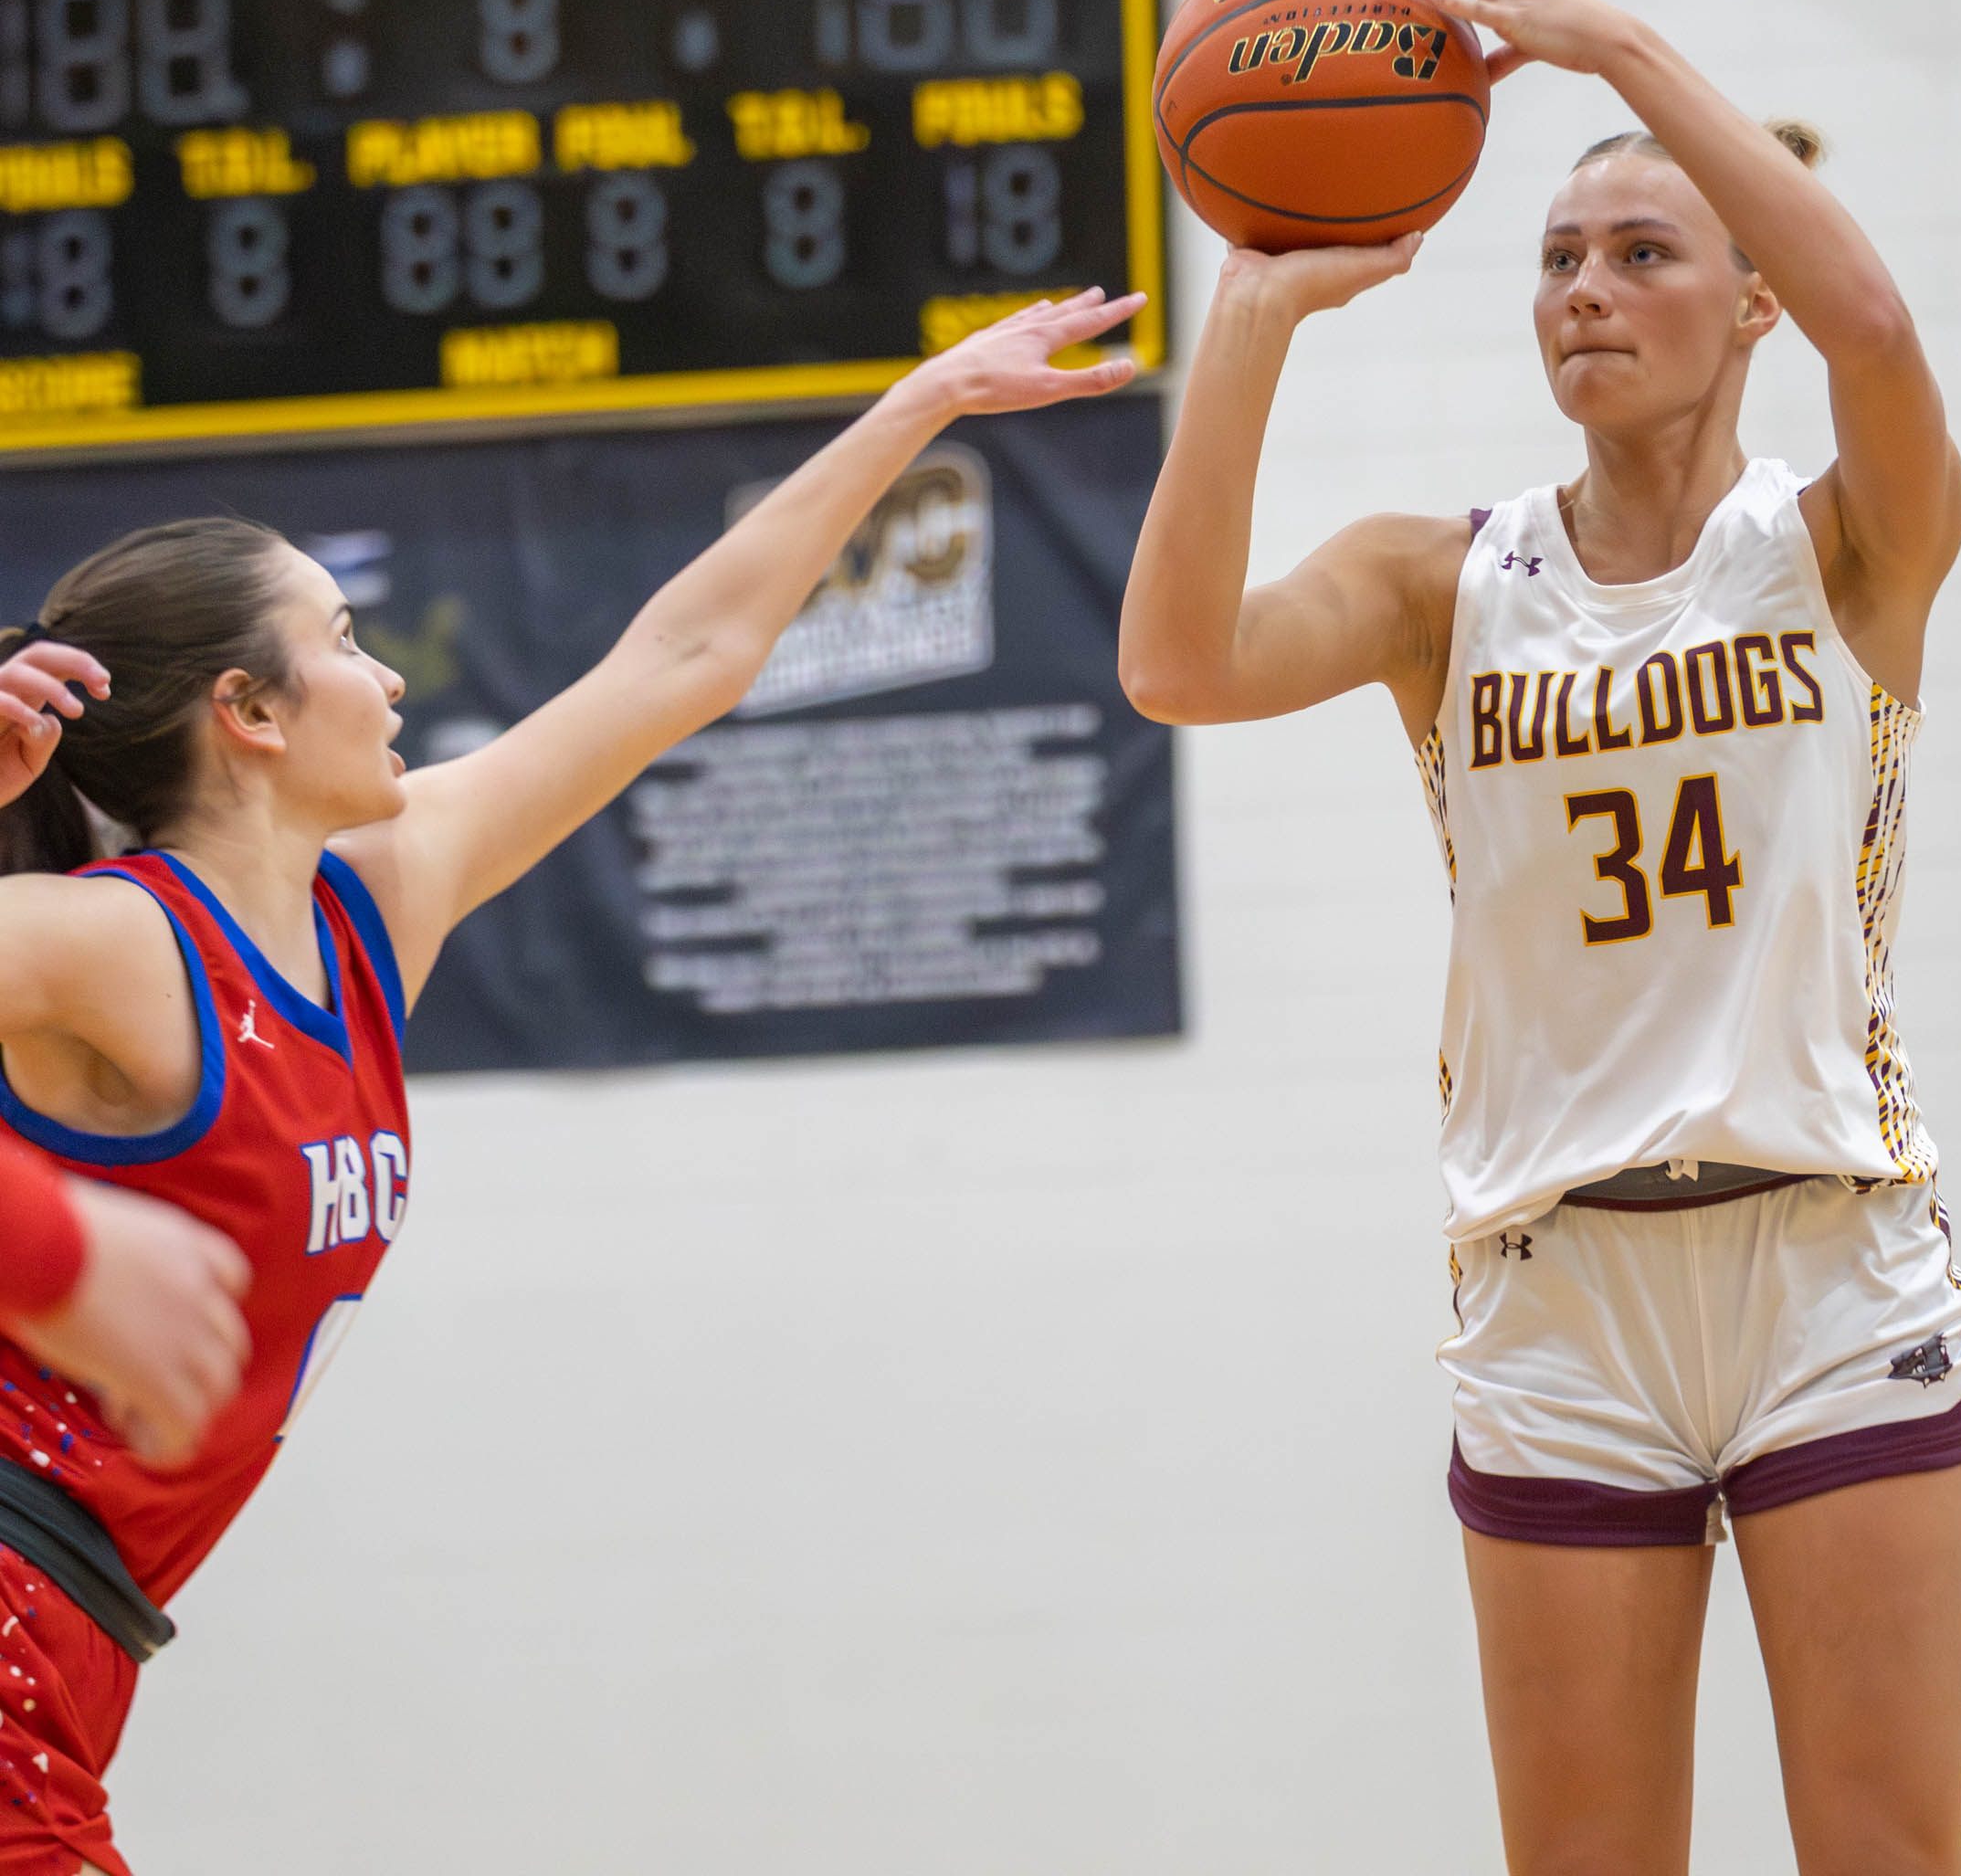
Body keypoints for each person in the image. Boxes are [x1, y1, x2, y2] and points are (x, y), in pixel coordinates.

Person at [0, 284, 1145, 1875]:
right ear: (246, 713)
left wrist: (925, 401)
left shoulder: (375, 899)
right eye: (344, 642)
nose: (388, 676)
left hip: (81, 1648)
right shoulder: (113, 946)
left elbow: (684, 654)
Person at [1121, 0, 1961, 1876]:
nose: (1587, 289)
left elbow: (1885, 333)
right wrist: (1252, 311)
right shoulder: (1446, 579)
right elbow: (1175, 661)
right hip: (1558, 1296)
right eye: (1560, 259)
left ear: (1749, 304)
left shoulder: (1852, 545)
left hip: (1829, 1270)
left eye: (1646, 253)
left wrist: (1607, 46)